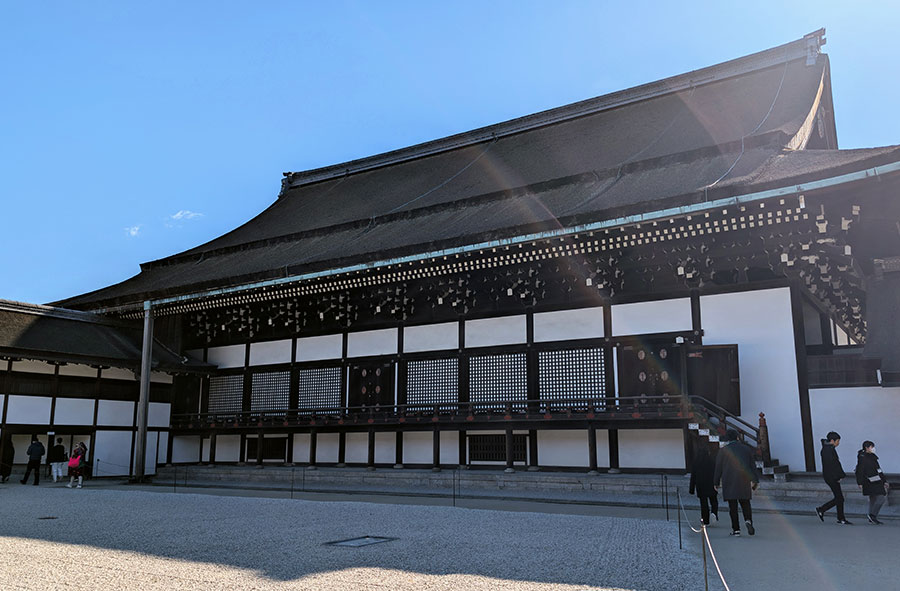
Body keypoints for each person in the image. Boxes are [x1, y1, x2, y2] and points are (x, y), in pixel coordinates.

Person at [714, 429, 759, 536]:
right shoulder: (746, 449)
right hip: (744, 479)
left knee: (732, 507)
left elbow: (718, 468)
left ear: (728, 439)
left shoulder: (723, 451)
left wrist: (716, 482)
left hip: (729, 480)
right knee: (745, 503)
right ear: (737, 437)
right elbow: (752, 466)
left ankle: (736, 530)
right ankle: (748, 520)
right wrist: (755, 480)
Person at [815, 431, 852, 524]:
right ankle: (822, 509)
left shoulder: (828, 448)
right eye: (837, 441)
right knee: (839, 498)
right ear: (832, 440)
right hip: (831, 477)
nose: (838, 443)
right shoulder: (828, 450)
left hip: (831, 476)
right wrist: (838, 476)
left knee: (839, 498)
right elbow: (833, 465)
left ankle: (840, 518)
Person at [855, 441, 889, 525]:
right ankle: (872, 515)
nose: (873, 448)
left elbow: (879, 469)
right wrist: (860, 482)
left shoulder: (872, 457)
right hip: (869, 481)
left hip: (876, 480)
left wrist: (884, 480)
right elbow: (860, 470)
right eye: (871, 447)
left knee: (873, 499)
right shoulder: (862, 457)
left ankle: (871, 517)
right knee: (881, 497)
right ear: (866, 447)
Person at [689, 445, 719, 526]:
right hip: (711, 484)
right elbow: (716, 473)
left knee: (703, 503)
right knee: (714, 501)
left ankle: (705, 520)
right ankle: (714, 513)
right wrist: (717, 483)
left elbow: (693, 476)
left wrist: (691, 489)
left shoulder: (696, 462)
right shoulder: (712, 461)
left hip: (700, 485)